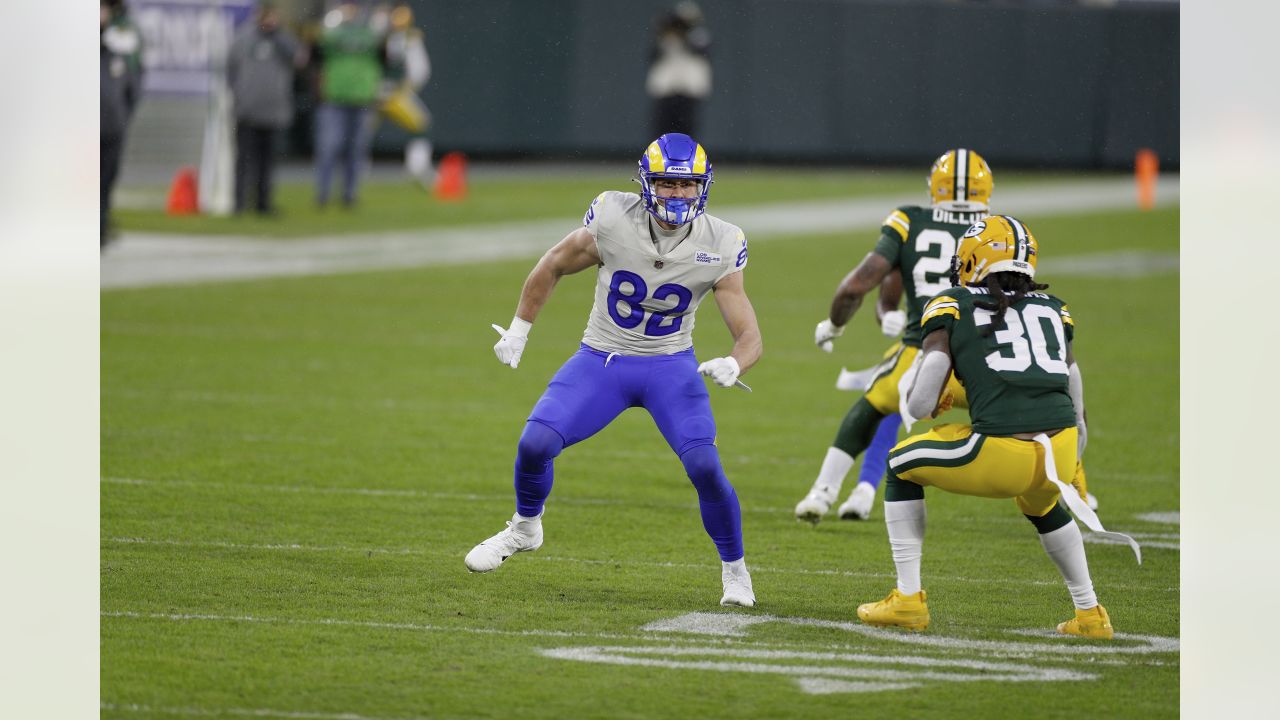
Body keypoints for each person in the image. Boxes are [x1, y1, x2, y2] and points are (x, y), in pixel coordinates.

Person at [464, 133, 762, 608]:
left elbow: (750, 333)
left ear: (703, 187)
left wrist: (734, 361)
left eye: (688, 185)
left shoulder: (721, 241)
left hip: (670, 365)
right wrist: (520, 328)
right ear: (646, 183)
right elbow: (554, 264)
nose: (678, 194)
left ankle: (736, 572)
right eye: (667, 183)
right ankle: (524, 528)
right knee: (535, 443)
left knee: (704, 465)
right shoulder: (612, 217)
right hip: (602, 358)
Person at [857, 215, 1139, 638]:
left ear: (972, 259)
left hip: (999, 454)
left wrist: (934, 400)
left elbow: (918, 399)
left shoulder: (953, 303)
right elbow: (1072, 381)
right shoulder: (1055, 308)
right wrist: (1076, 448)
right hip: (1059, 452)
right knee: (1042, 504)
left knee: (900, 463)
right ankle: (1090, 614)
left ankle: (908, 600)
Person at [795, 149, 992, 524]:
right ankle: (1073, 489)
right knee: (1035, 414)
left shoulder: (910, 221)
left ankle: (823, 492)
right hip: (986, 357)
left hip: (924, 353)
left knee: (869, 408)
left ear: (935, 186)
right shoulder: (999, 228)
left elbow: (856, 285)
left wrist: (834, 325)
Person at [226, 2, 303, 216]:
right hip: (247, 110)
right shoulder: (242, 38)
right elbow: (230, 70)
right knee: (244, 160)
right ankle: (239, 203)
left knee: (267, 161)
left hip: (273, 110)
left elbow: (299, 59)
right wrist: (240, 95)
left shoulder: (283, 40)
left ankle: (263, 203)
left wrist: (278, 34)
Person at [313, 1, 384, 208]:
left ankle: (349, 194)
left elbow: (387, 54)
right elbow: (317, 48)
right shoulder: (332, 31)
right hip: (335, 97)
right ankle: (323, 193)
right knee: (329, 147)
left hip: (362, 98)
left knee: (356, 150)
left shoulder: (371, 32)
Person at [100, 0, 143, 248]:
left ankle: (102, 226)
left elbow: (132, 88)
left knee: (107, 181)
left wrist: (122, 117)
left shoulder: (118, 50)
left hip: (112, 128)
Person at [378, 3, 433, 188]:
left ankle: (416, 167)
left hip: (376, 91)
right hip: (389, 92)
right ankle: (416, 168)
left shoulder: (386, 35)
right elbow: (419, 71)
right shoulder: (399, 38)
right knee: (421, 125)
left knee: (358, 132)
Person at [646, 2, 711, 138]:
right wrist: (667, 29)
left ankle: (686, 158)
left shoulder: (699, 35)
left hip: (688, 91)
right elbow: (654, 55)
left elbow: (700, 50)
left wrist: (685, 32)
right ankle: (659, 158)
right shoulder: (666, 37)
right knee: (662, 130)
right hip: (667, 92)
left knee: (685, 130)